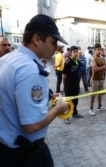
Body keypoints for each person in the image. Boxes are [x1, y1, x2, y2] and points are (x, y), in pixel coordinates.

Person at [0, 14, 69, 167]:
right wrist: (58, 109)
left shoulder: (7, 60)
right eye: (53, 42)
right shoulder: (30, 69)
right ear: (37, 39)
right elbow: (31, 125)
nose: (56, 48)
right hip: (25, 155)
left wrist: (47, 99)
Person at [63, 46, 83, 124]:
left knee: (75, 100)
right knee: (68, 101)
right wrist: (64, 86)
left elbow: (78, 68)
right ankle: (66, 117)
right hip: (69, 86)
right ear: (70, 53)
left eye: (77, 52)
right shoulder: (67, 62)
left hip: (76, 85)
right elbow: (64, 75)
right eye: (74, 52)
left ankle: (74, 113)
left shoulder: (78, 62)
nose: (76, 53)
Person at [89, 43, 106, 116]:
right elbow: (95, 69)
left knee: (100, 93)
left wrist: (102, 68)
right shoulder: (93, 58)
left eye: (100, 49)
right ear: (94, 50)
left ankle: (99, 106)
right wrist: (102, 68)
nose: (99, 51)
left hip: (101, 79)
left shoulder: (103, 58)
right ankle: (91, 108)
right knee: (93, 95)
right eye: (98, 49)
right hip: (95, 79)